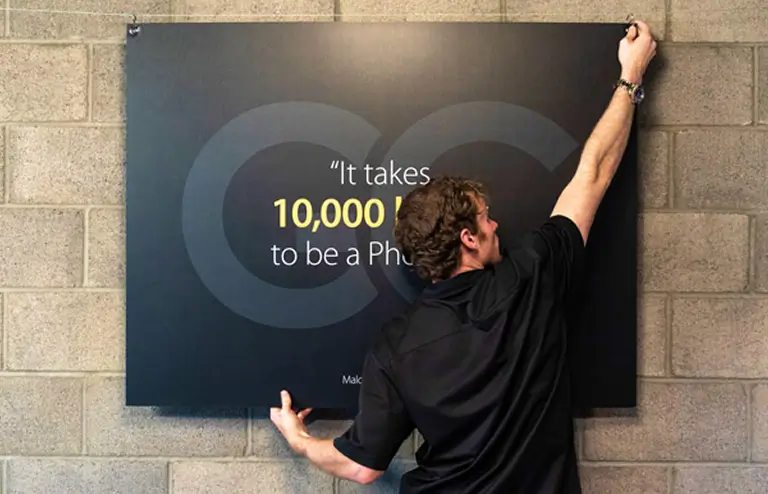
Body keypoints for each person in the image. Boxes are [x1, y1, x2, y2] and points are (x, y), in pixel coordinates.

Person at [270, 20, 657, 493]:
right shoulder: (531, 275)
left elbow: (361, 467)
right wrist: (631, 75)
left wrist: (299, 440)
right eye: (485, 218)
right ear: (468, 238)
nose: (496, 225)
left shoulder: (396, 345)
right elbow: (593, 173)